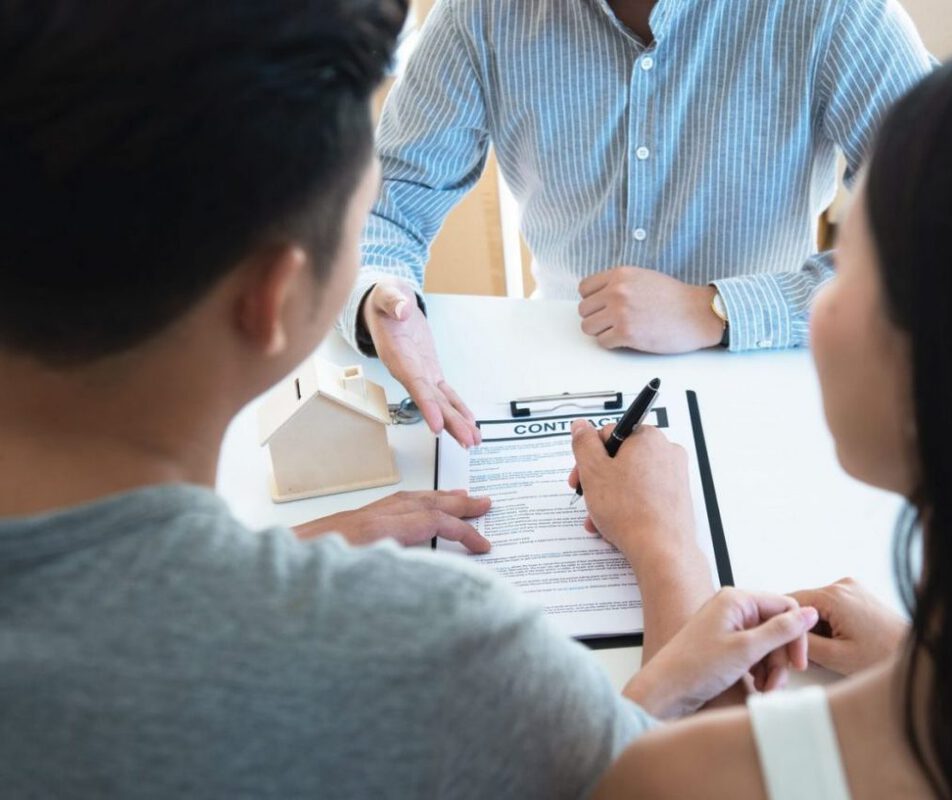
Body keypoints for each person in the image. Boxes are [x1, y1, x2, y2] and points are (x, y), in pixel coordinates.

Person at [0, 1, 821, 796]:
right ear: (276, 294)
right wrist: (666, 547)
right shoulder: (437, 650)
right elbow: (658, 783)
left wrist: (309, 546)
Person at [575, 20, 952, 798]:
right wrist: (922, 659)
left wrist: (665, 551)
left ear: (951, 363)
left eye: (851, 260)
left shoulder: (685, 775)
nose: (821, 300)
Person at [342, 0, 937, 448]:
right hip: (558, 378)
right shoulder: (481, 12)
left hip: (764, 383)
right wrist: (377, 296)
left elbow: (940, 239)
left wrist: (718, 309)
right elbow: (387, 204)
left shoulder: (840, 13)